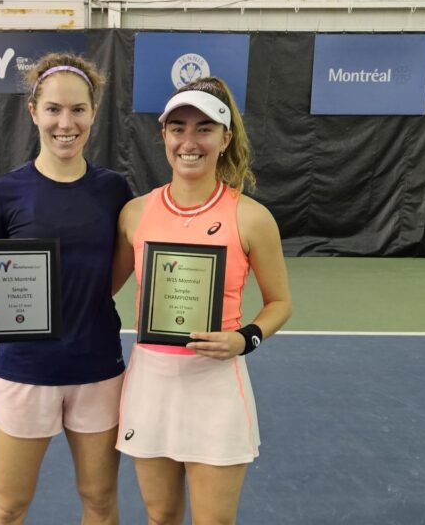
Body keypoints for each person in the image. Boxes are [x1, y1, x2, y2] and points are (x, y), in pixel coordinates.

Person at [112, 77, 293, 524]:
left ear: (225, 138)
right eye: (178, 128)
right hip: (150, 382)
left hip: (215, 383)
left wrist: (244, 339)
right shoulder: (135, 213)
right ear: (164, 136)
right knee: (161, 518)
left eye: (204, 128)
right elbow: (99, 288)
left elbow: (279, 303)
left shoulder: (251, 217)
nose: (189, 141)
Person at [0, 52, 133, 525]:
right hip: (24, 370)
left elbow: (118, 269)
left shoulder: (115, 191)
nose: (66, 122)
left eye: (78, 110)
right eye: (54, 109)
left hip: (97, 370)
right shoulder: (3, 192)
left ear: (93, 114)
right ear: (33, 111)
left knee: (99, 504)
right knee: (9, 506)